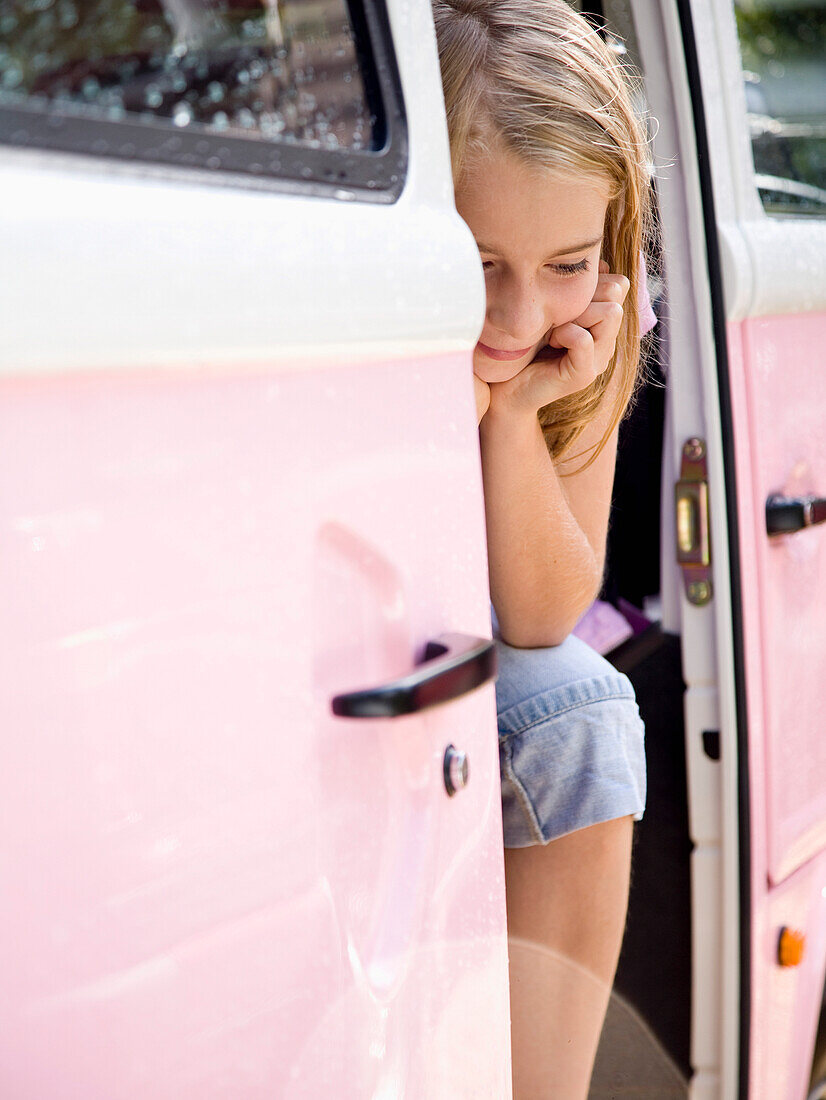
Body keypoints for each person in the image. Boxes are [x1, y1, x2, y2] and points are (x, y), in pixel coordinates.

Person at [431, 1, 655, 1096]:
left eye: (566, 262)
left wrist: (512, 418)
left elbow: (541, 613)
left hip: (471, 656)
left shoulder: (584, 331)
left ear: (609, 247)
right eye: (479, 264)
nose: (520, 313)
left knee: (574, 702)